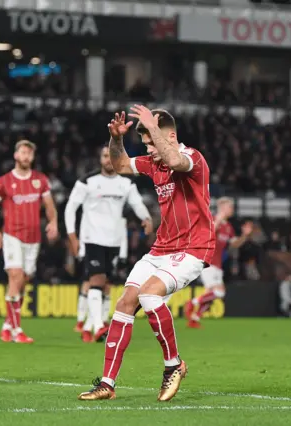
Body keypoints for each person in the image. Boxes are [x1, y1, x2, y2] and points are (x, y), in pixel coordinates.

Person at [78, 106, 215, 402]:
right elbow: (121, 165)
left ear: (170, 135)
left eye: (153, 142)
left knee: (150, 295)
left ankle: (173, 365)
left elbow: (175, 159)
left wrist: (154, 130)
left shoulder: (193, 158)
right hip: (161, 248)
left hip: (193, 247)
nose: (150, 149)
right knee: (125, 303)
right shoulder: (154, 163)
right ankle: (107, 383)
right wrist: (116, 140)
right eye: (146, 144)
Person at [66, 147, 152, 343]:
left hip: (114, 242)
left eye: (111, 156)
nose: (108, 160)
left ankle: (92, 325)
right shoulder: (88, 181)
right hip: (92, 240)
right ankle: (98, 327)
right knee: (95, 280)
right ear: (100, 158)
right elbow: (71, 207)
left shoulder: (126, 183)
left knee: (106, 284)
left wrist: (146, 217)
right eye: (105, 155)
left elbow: (137, 203)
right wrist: (72, 235)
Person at [0, 140, 58, 344]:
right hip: (12, 235)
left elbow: (49, 205)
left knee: (22, 281)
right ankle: (18, 331)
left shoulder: (40, 180)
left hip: (33, 239)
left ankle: (7, 326)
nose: (26, 156)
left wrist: (53, 222)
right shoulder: (4, 182)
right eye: (23, 152)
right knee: (15, 276)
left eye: (29, 153)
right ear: (16, 155)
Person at [184, 197, 252, 328]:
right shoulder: (212, 219)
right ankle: (192, 303)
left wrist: (245, 235)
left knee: (210, 294)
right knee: (219, 292)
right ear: (223, 208)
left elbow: (234, 244)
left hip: (218, 264)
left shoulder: (228, 227)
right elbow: (208, 235)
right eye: (230, 207)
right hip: (207, 261)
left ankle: (194, 319)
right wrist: (218, 220)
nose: (232, 210)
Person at [75, 218, 129, 336]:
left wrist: (123, 255)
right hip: (93, 250)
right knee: (91, 285)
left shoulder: (118, 214)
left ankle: (97, 324)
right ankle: (83, 323)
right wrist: (82, 251)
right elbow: (85, 231)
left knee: (105, 287)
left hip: (112, 252)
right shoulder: (93, 213)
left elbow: (122, 235)